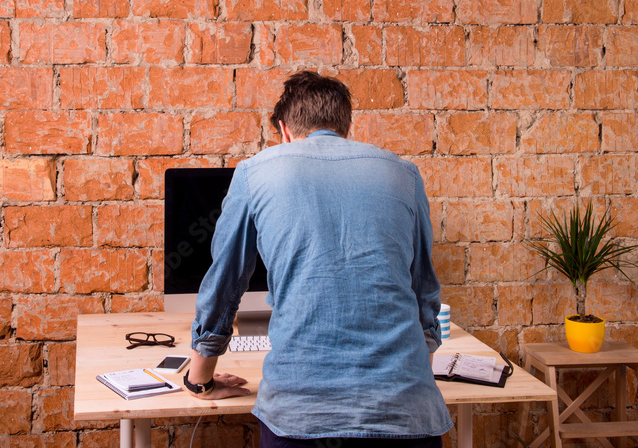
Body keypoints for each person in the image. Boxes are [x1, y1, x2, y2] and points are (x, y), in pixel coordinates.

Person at [184, 71, 452, 447]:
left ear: (284, 130)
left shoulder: (254, 172)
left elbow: (225, 281)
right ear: (346, 126)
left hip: (300, 418)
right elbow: (424, 288)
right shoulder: (405, 174)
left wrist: (201, 378)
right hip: (406, 415)